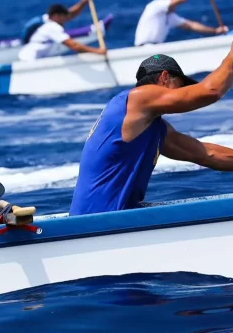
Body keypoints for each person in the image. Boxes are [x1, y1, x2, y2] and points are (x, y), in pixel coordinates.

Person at [69, 49, 233, 215]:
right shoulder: (138, 98)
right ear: (164, 77)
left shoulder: (152, 127)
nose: (183, 92)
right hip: (96, 224)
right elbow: (210, 91)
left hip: (116, 220)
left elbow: (208, 155)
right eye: (181, 86)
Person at [134, 0, 228, 46]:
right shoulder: (155, 6)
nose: (173, 3)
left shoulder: (170, 17)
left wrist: (215, 31)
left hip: (156, 49)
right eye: (170, 0)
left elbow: (191, 26)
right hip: (145, 49)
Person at [17, 0, 107, 61]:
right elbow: (74, 46)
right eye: (64, 18)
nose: (67, 20)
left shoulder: (46, 19)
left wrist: (84, 1)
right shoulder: (53, 27)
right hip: (29, 60)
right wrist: (98, 52)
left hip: (26, 57)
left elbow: (71, 13)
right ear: (57, 16)